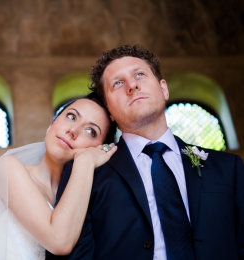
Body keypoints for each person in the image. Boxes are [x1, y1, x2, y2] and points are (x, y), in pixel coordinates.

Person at [47, 45, 244, 259]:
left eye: (139, 74)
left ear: (164, 89)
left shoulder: (228, 169)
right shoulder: (86, 174)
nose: (132, 85)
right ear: (110, 111)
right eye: (118, 83)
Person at [0, 92, 118, 259]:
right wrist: (84, 164)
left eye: (91, 131)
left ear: (98, 149)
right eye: (71, 116)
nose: (73, 130)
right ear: (51, 124)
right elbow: (59, 241)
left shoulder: (87, 198)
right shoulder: (8, 167)